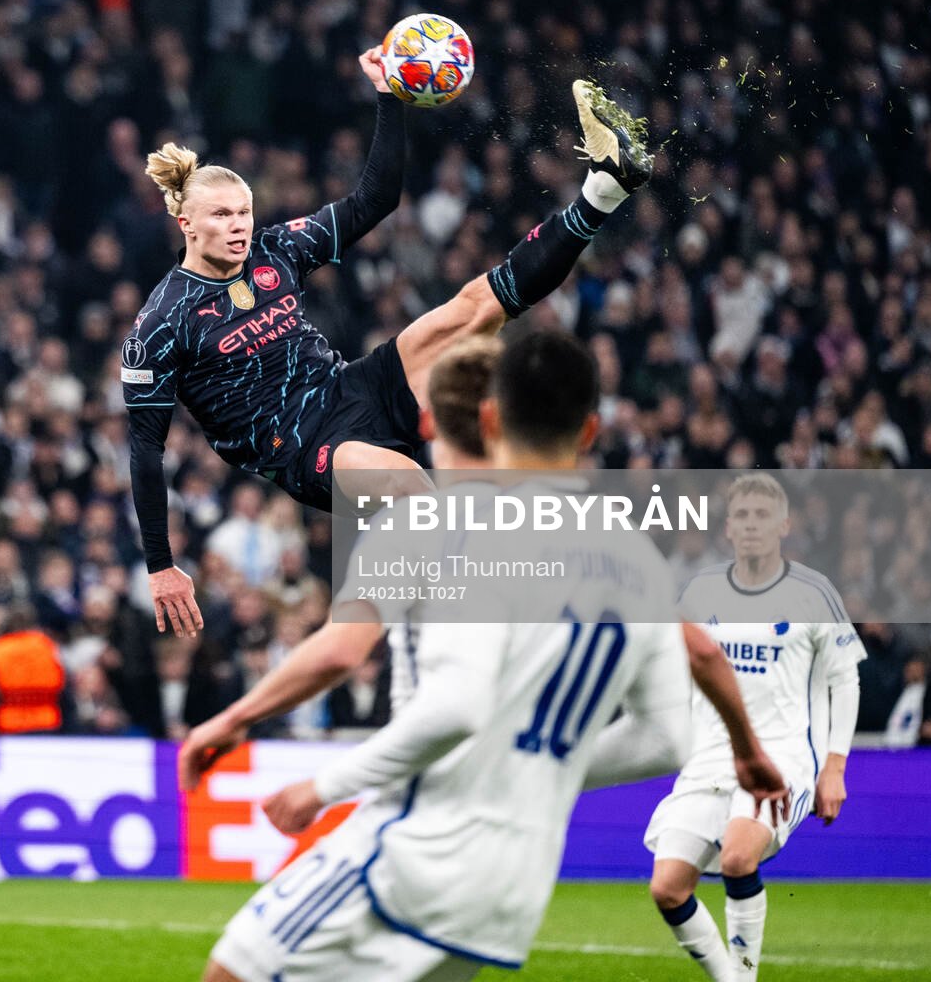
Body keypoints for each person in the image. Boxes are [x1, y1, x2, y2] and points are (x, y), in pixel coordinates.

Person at [202, 330, 696, 982]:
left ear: (484, 419)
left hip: (420, 842)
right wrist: (531, 772)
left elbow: (445, 700)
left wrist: (321, 788)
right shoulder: (636, 558)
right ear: (590, 429)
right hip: (520, 875)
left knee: (232, 972)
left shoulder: (447, 526)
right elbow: (666, 739)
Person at [127, 62, 656, 637]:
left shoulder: (274, 250)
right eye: (221, 215)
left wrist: (388, 95)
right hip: (306, 449)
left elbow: (376, 199)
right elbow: (144, 449)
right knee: (413, 492)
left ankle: (606, 186)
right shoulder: (161, 323)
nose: (238, 226)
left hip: (355, 386)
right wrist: (160, 565)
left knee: (475, 307)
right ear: (185, 223)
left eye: (244, 212)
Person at [179, 338, 787, 806]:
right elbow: (677, 716)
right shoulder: (618, 543)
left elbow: (349, 657)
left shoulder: (419, 523)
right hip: (524, 865)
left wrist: (250, 733)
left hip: (419, 827)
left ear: (425, 424)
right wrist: (748, 752)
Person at [645, 473, 864, 981]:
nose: (751, 525)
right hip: (710, 756)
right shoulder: (700, 591)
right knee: (668, 888)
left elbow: (845, 681)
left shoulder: (814, 593)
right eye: (741, 516)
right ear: (727, 527)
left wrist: (835, 768)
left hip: (784, 757)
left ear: (784, 525)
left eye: (762, 516)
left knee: (740, 857)